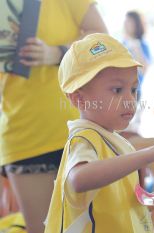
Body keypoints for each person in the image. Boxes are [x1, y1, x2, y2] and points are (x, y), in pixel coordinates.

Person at [44, 33, 154, 233]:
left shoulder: (114, 141)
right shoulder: (85, 138)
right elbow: (78, 179)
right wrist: (152, 153)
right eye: (117, 90)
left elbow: (122, 205)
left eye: (133, 89)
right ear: (79, 99)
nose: (130, 99)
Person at [0, 1, 107, 233]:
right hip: (23, 135)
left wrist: (58, 52)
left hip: (81, 128)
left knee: (99, 226)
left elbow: (102, 42)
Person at [123, 10, 152, 98]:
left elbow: (143, 70)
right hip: (118, 91)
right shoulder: (121, 44)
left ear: (137, 24)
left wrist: (135, 47)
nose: (125, 23)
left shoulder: (142, 45)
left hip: (134, 92)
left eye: (129, 21)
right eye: (125, 20)